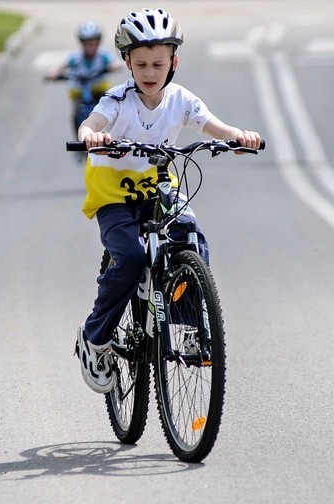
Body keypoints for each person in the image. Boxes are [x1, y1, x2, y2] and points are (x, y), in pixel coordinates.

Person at [74, 8, 262, 393]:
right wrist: (93, 136)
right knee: (129, 259)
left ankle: (192, 326)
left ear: (174, 62)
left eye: (158, 63)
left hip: (159, 187)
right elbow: (92, 122)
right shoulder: (118, 99)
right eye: (140, 63)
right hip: (114, 194)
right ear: (126, 62)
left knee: (192, 236)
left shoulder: (180, 99)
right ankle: (94, 337)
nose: (149, 72)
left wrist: (238, 138)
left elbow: (213, 125)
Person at [45, 21, 121, 133]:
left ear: (98, 43)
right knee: (77, 107)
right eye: (87, 44)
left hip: (98, 86)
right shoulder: (75, 57)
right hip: (80, 88)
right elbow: (62, 65)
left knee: (109, 103)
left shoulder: (102, 54)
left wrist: (111, 67)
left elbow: (115, 63)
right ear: (82, 43)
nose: (90, 47)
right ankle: (78, 129)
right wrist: (54, 73)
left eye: (93, 44)